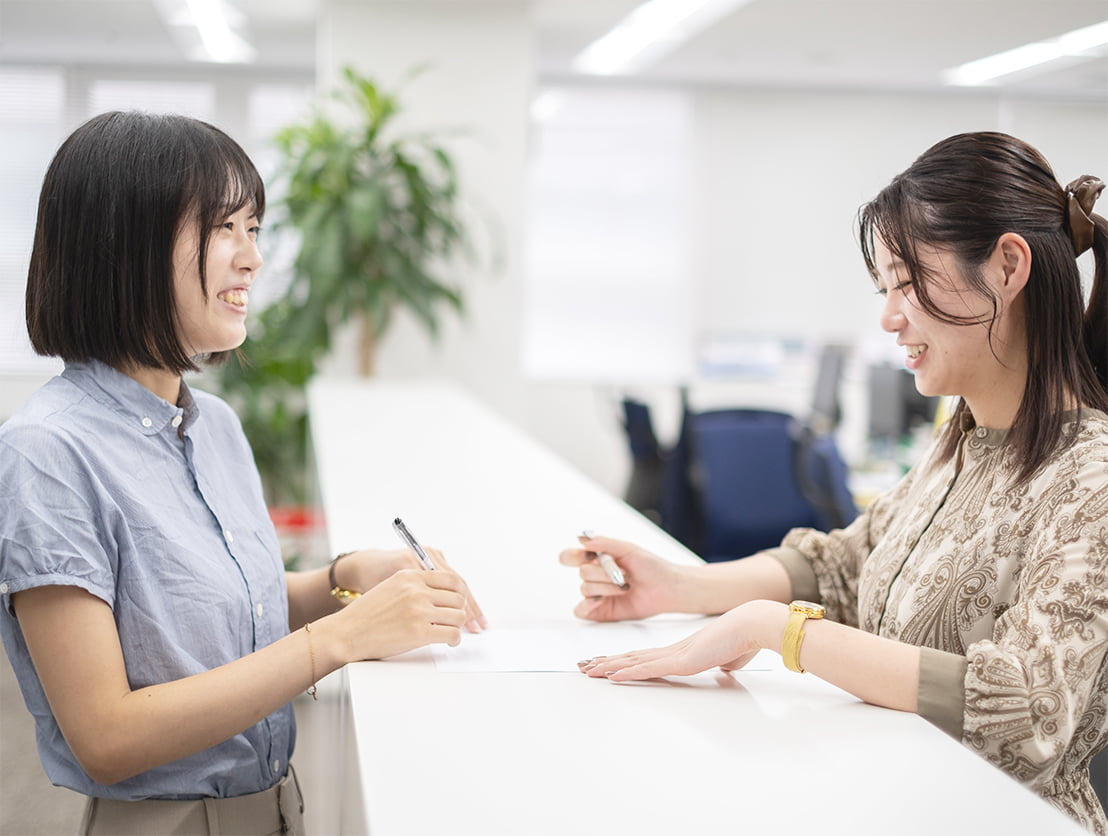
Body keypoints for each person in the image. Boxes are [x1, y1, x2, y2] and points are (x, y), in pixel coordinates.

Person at [561, 132, 1108, 833]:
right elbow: (849, 563)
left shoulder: (1090, 479)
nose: (888, 316)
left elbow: (1027, 712)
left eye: (909, 284)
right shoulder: (962, 442)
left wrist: (776, 630)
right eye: (886, 289)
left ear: (1007, 266)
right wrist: (680, 586)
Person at [0, 110, 486, 836]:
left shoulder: (214, 426)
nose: (252, 258)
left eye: (253, 229)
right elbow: (105, 735)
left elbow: (218, 612)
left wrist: (344, 579)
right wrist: (338, 640)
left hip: (273, 808)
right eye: (222, 228)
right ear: (122, 245)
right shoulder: (47, 453)